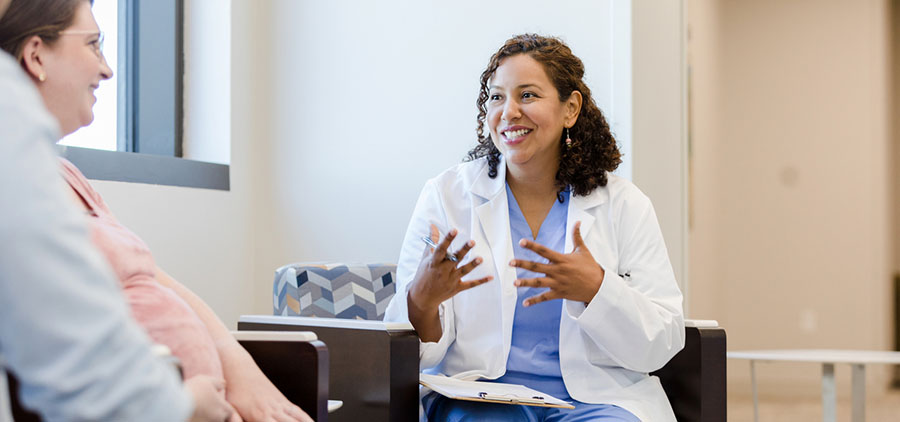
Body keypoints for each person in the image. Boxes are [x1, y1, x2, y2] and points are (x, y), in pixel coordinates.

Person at [0, 1, 311, 421]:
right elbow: (66, 352)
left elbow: (161, 283)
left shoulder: (67, 175)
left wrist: (244, 377)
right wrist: (183, 406)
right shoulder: (18, 171)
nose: (108, 69)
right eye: (93, 44)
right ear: (36, 56)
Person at [384, 34, 686, 421]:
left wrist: (596, 288)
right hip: (481, 397)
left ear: (570, 108)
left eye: (527, 95)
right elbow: (409, 350)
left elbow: (662, 341)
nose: (508, 112)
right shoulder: (447, 196)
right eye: (496, 97)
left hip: (597, 401)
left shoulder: (624, 205)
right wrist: (421, 302)